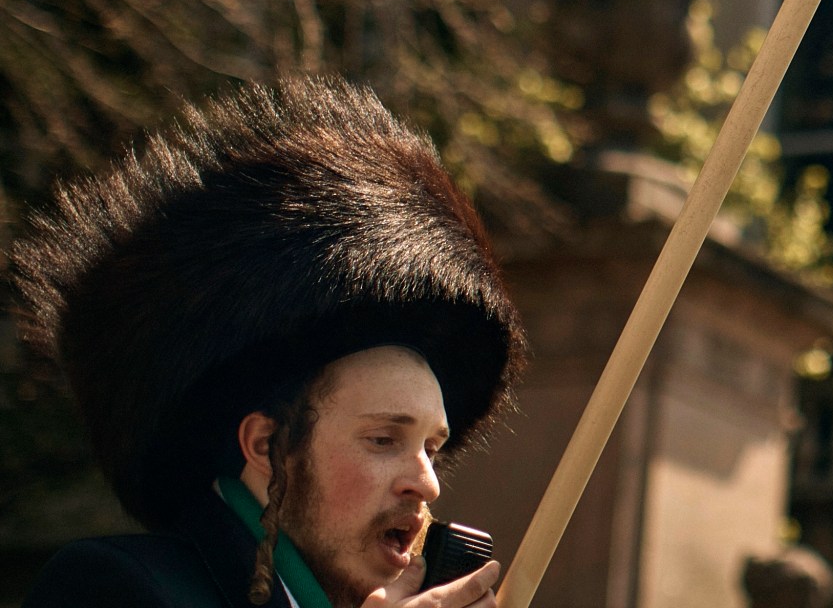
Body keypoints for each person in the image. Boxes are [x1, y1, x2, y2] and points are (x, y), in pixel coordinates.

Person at [13, 80, 529, 608]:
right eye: (383, 439)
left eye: (431, 449)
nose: (426, 484)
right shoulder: (112, 587)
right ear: (265, 445)